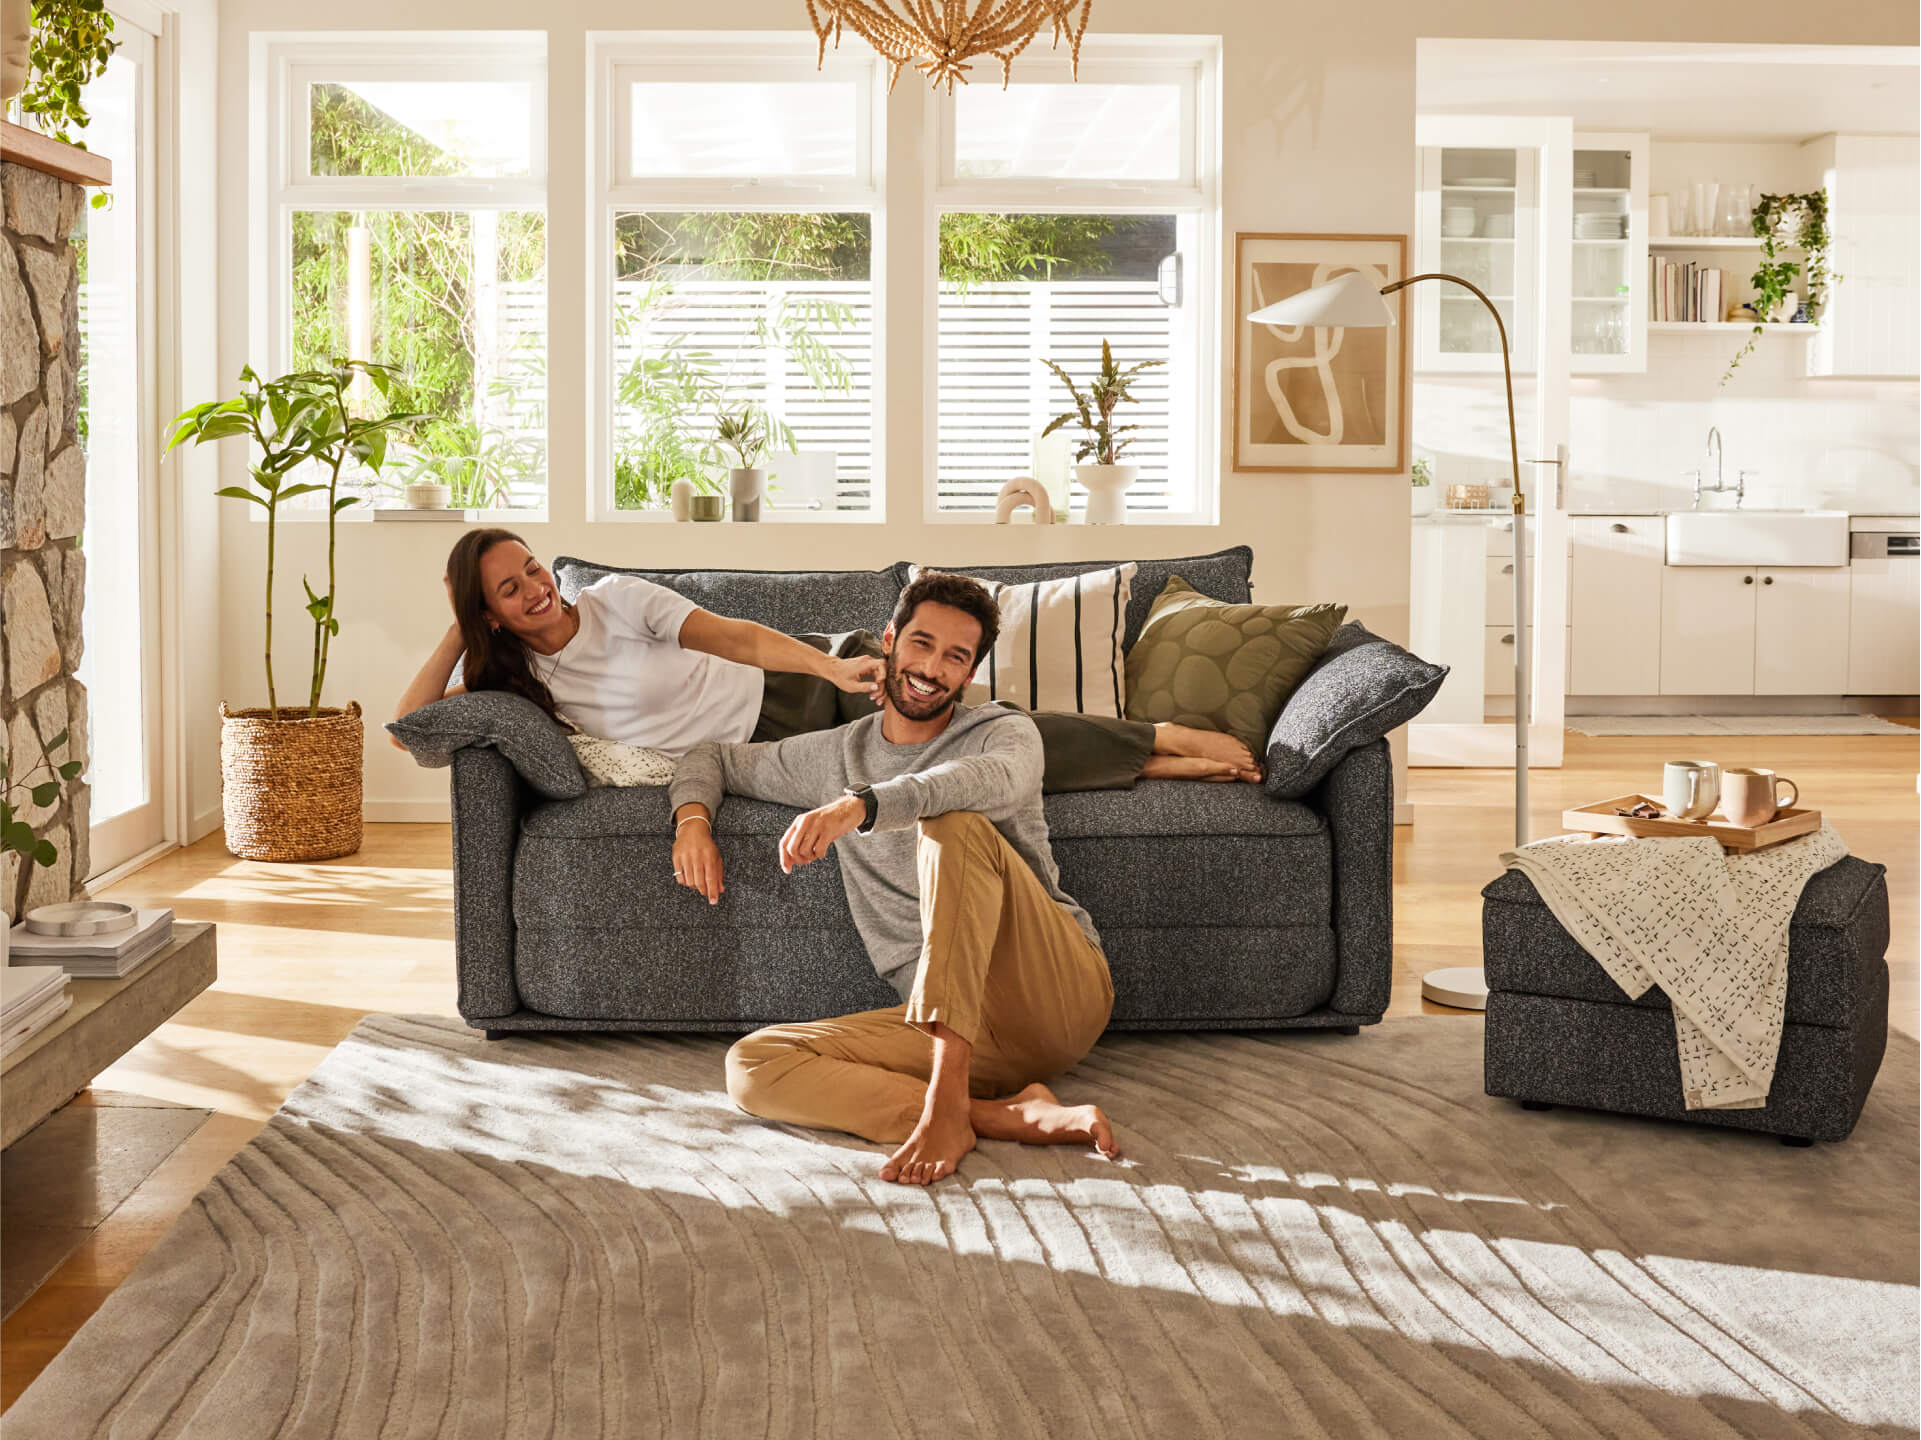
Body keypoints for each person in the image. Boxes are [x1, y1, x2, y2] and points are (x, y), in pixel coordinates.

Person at [669, 570, 1120, 1187]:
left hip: (1056, 990)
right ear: (889, 640)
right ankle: (994, 1114)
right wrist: (692, 822)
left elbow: (990, 781)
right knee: (753, 1065)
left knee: (951, 825)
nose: (932, 667)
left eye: (955, 657)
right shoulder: (833, 754)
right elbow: (711, 756)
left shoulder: (1002, 732)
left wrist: (864, 804)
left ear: (970, 674)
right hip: (949, 1026)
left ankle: (943, 1104)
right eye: (921, 643)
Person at [393, 527, 1264, 787]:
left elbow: (732, 637)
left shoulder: (615, 600)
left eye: (532, 567)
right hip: (768, 744)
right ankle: (1146, 760)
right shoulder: (520, 680)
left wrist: (832, 670)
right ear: (492, 615)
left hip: (806, 682)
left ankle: (1155, 740)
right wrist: (451, 628)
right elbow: (411, 735)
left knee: (973, 731)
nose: (535, 588)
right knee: (960, 749)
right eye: (508, 590)